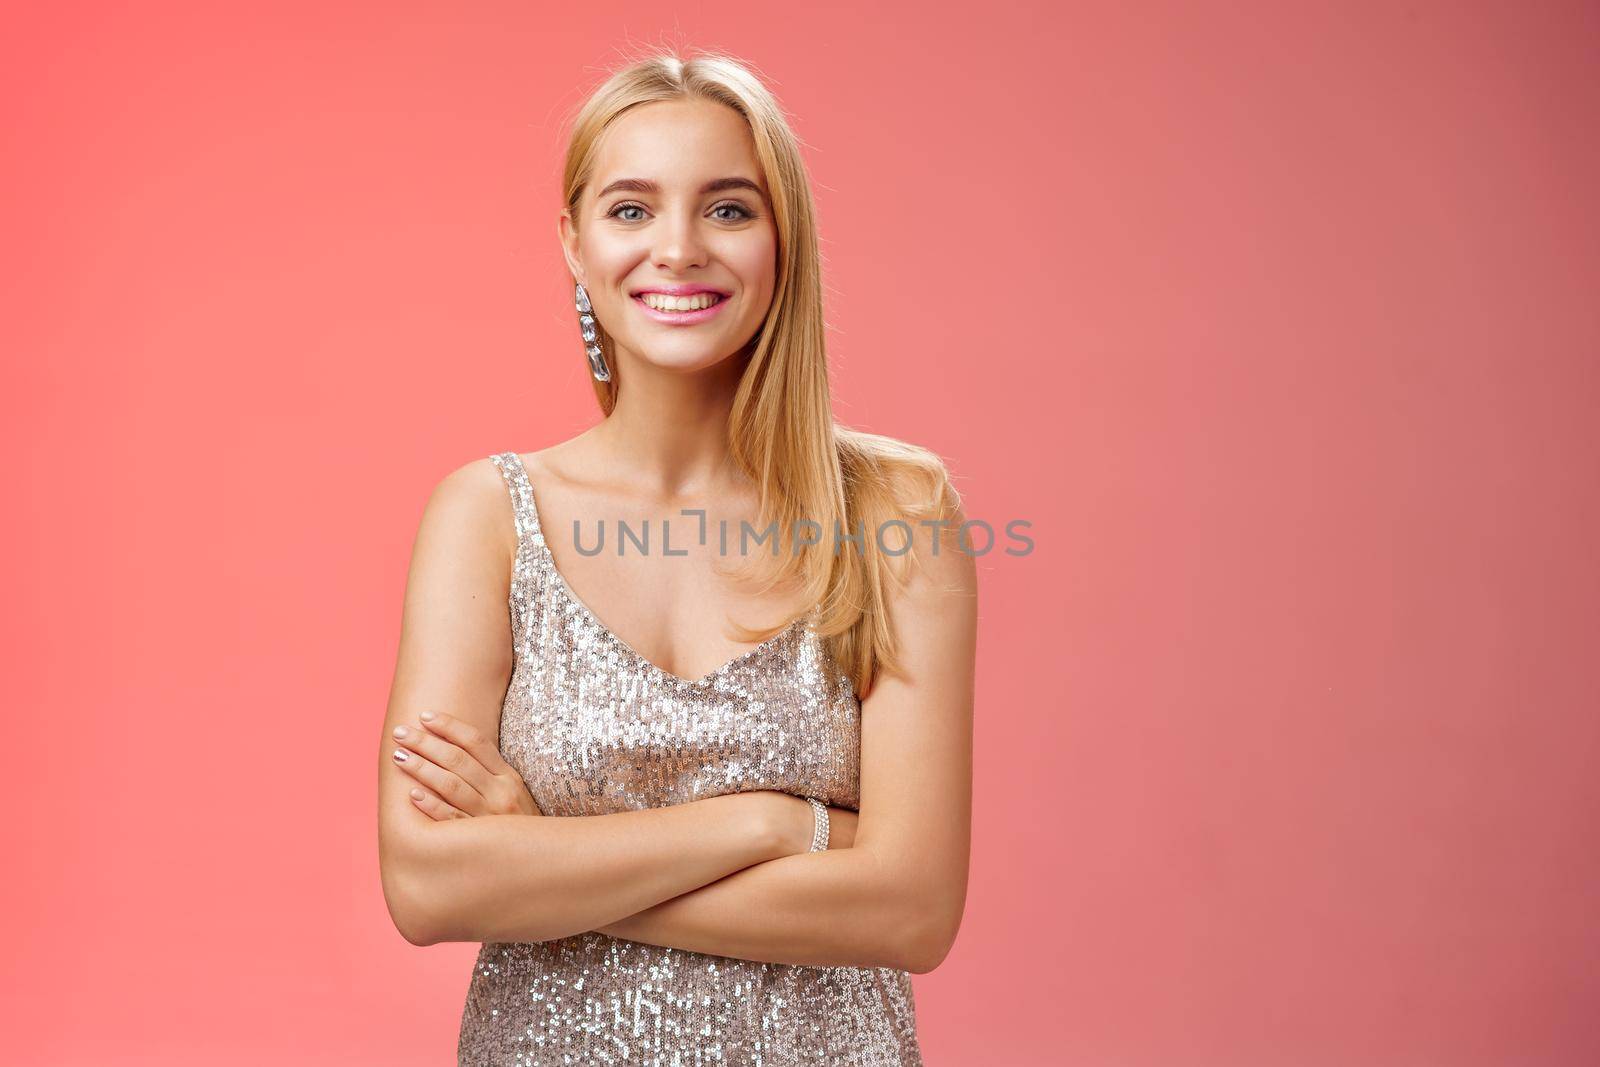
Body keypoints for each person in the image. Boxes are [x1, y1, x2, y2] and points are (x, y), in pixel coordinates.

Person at [376, 48, 976, 1066]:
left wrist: (543, 861)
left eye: (729, 209)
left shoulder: (898, 510)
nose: (680, 248)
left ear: (784, 241)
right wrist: (772, 823)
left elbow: (910, 908)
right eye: (630, 209)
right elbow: (429, 887)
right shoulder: (487, 517)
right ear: (574, 242)